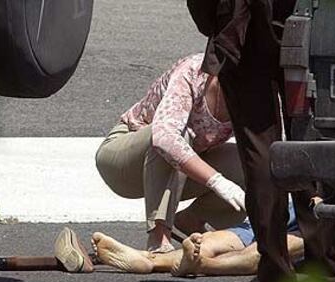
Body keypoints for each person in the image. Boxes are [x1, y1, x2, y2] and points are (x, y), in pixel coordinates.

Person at [186, 0, 335, 282]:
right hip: (301, 16)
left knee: (262, 150)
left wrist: (214, 23)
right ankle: (323, 271)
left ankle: (275, 270)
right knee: (307, 142)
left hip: (243, 26)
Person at [95, 53, 248, 253]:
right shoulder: (193, 71)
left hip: (178, 171)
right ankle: (159, 238)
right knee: (175, 138)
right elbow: (165, 136)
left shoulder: (255, 95)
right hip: (122, 161)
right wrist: (217, 181)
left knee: (250, 161)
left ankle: (193, 219)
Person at [54, 200, 303, 276]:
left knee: (271, 245)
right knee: (262, 246)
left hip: (299, 202)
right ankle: (154, 259)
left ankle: (158, 261)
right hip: (309, 206)